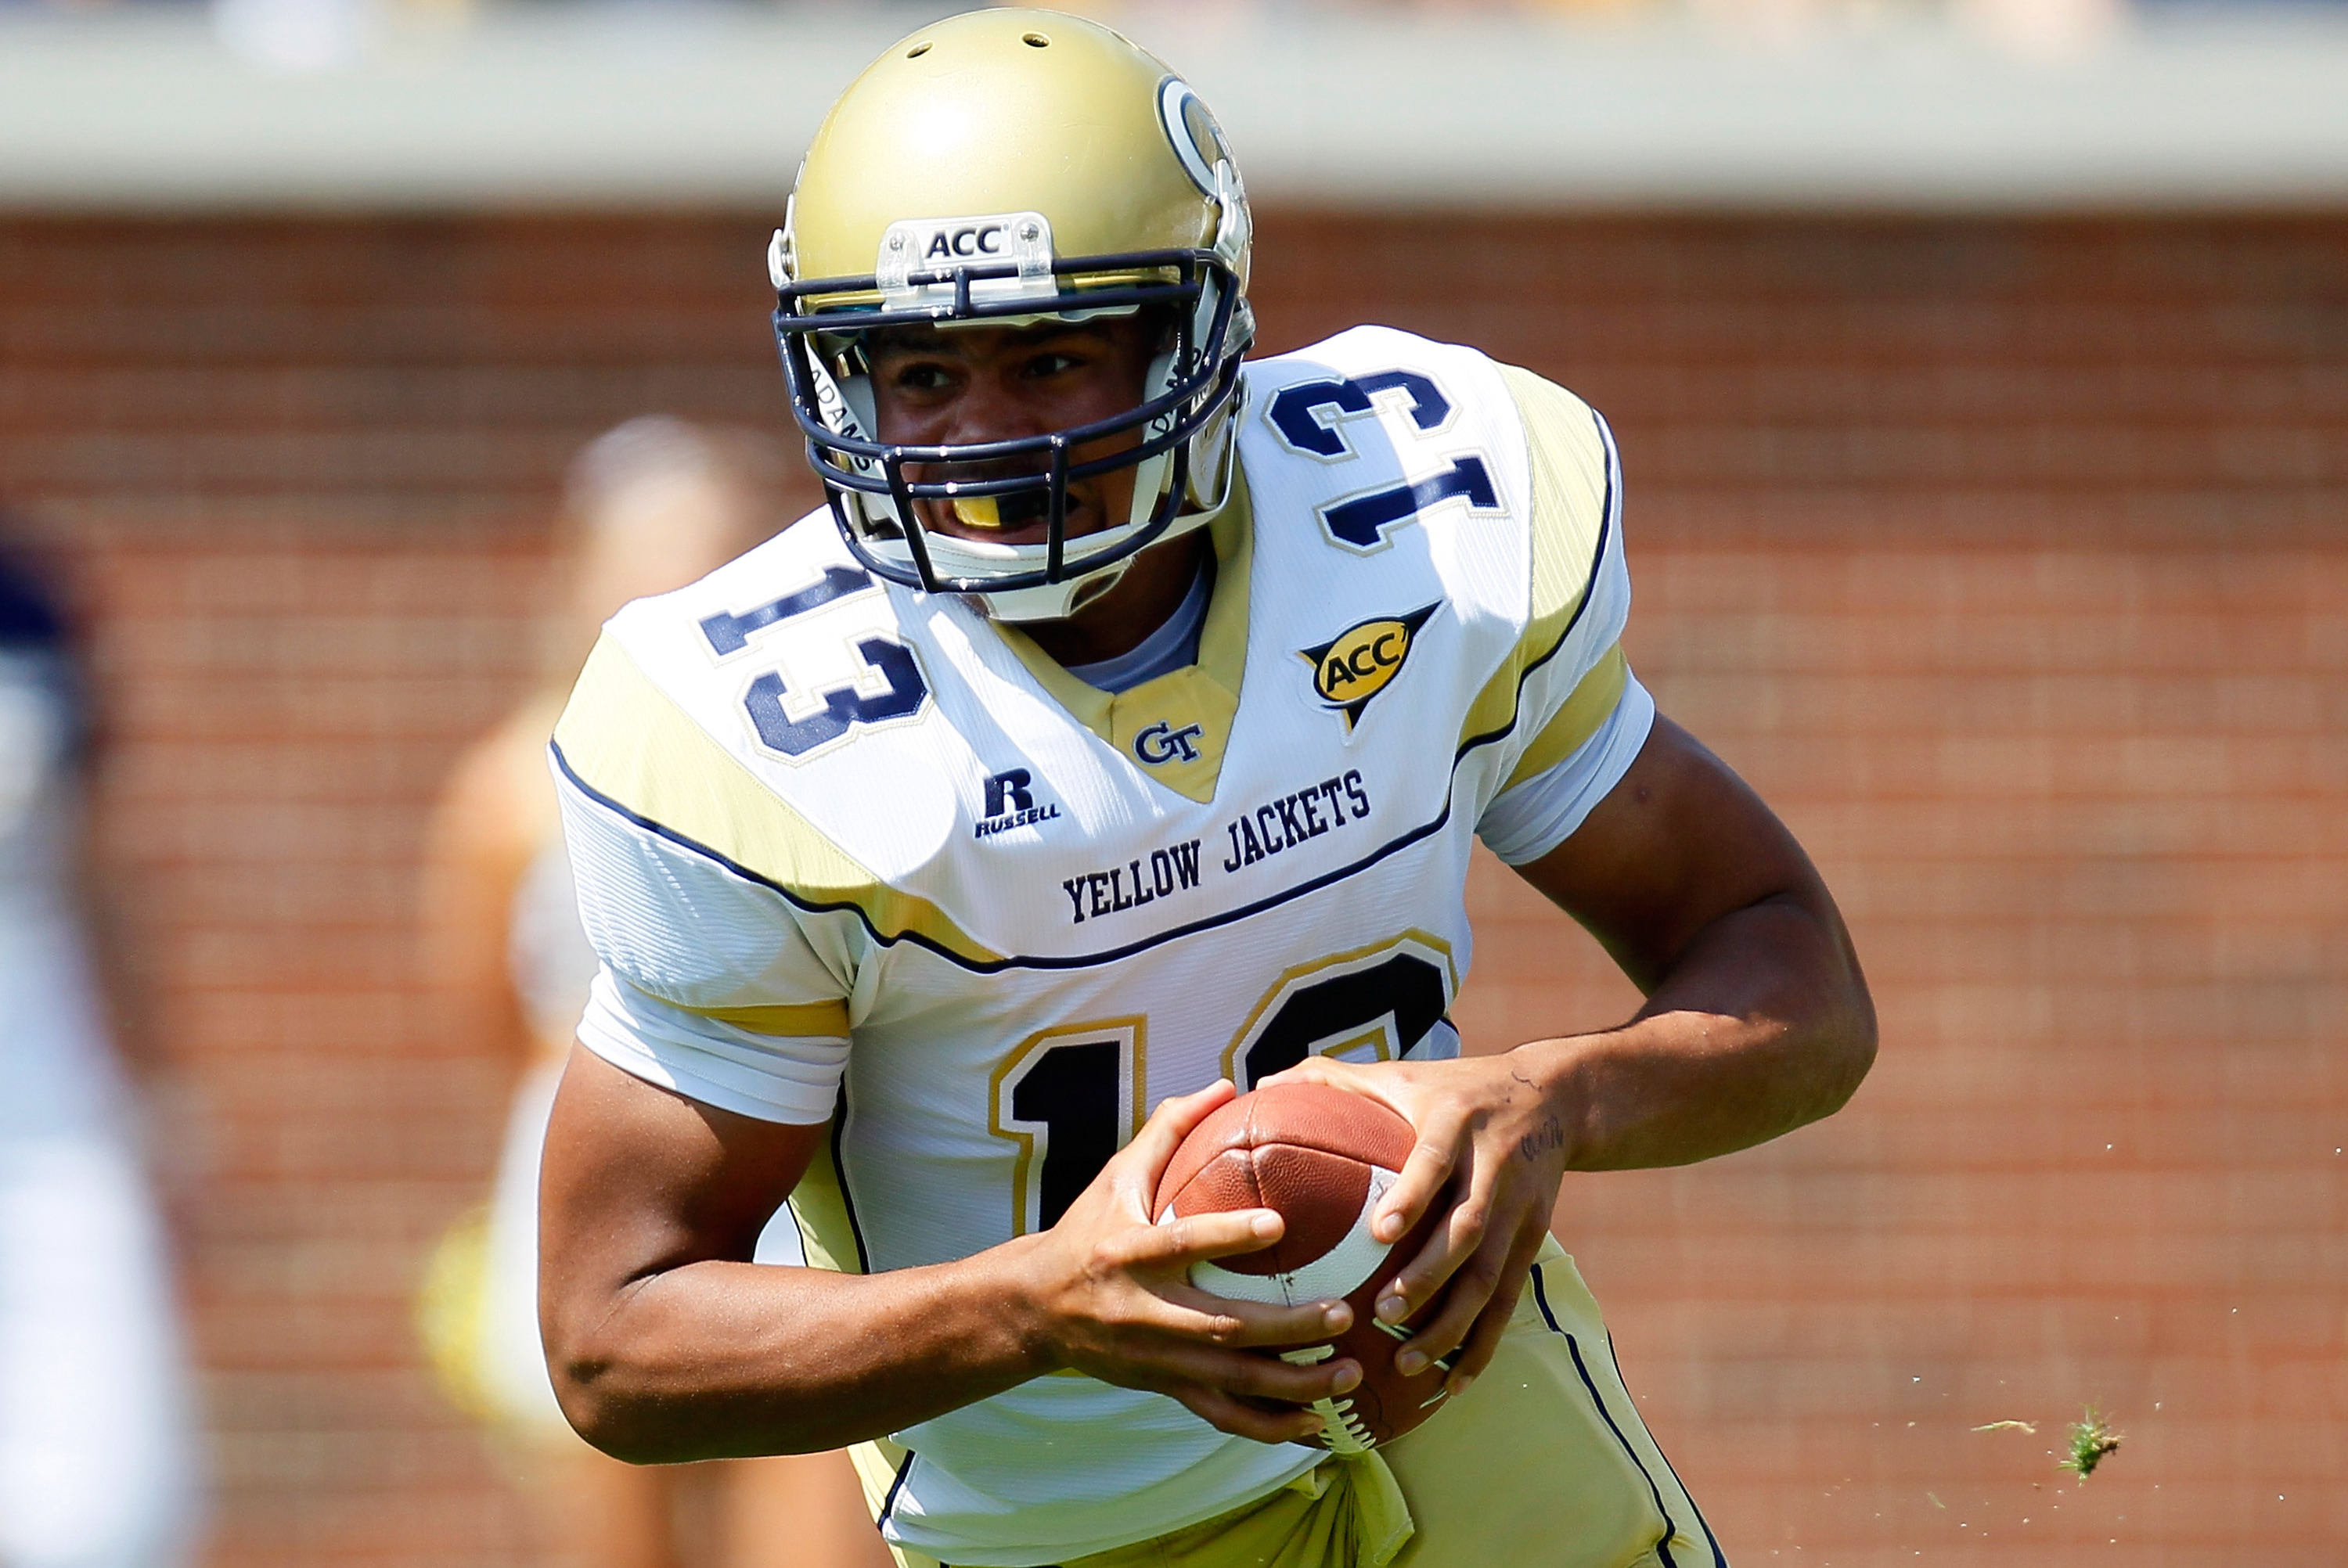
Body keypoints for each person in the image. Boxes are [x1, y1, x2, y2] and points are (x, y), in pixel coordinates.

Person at [535, 12, 1878, 1567]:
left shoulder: (1427, 519)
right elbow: (611, 1336)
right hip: (1087, 1531)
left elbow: (1794, 970)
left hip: (1477, 1412)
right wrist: (1036, 1306)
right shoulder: (752, 731)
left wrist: (1556, 1097)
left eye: (1048, 356)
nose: (981, 444)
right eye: (920, 372)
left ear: (1194, 335)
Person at [417, 419, 889, 1568]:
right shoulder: (508, 789)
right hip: (597, 1190)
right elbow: (484, 1010)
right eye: (648, 553)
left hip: (794, 1194)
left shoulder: (847, 772)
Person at [0, 524, 203, 1568]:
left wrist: (162, 1103)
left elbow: (95, 873)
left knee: (109, 1498)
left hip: (43, 1074)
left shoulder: (28, 600)